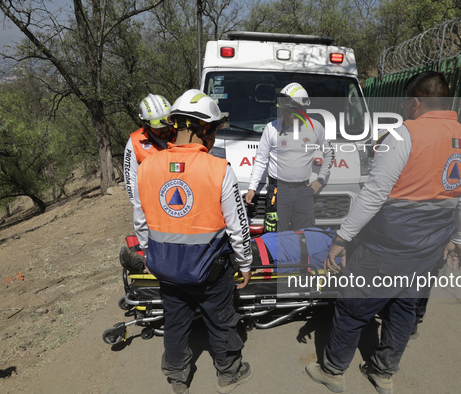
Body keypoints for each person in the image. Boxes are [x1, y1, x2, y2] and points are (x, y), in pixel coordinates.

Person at [304, 71, 461, 394]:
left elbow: (373, 195)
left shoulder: (402, 136)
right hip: (429, 248)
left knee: (352, 305)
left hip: (387, 246)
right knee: (403, 306)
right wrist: (458, 239)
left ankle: (332, 370)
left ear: (415, 101)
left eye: (404, 101)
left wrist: (341, 239)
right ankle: (384, 372)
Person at [134, 89, 253, 394]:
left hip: (167, 269)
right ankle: (228, 374)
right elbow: (237, 226)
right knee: (222, 321)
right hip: (210, 272)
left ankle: (177, 376)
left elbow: (141, 220)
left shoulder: (146, 168)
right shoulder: (219, 170)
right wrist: (245, 264)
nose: (213, 137)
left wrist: (149, 256)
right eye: (213, 129)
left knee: (175, 322)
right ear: (203, 130)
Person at [244, 82, 334, 232]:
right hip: (277, 191)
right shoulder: (271, 128)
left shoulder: (315, 127)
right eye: (281, 111)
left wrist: (321, 179)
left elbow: (329, 152)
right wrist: (252, 188)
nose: (283, 115)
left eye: (288, 112)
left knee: (305, 235)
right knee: (276, 235)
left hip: (304, 191)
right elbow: (260, 159)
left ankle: (301, 257)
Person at [121, 93, 173, 273]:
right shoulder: (135, 143)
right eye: (160, 127)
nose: (166, 130)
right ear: (146, 123)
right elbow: (132, 185)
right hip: (153, 209)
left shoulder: (179, 135)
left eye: (168, 123)